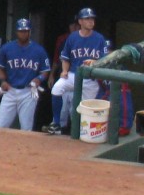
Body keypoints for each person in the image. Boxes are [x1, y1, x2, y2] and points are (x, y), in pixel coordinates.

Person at [48, 8, 111, 136]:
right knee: (56, 88)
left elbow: (106, 59)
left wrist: (94, 61)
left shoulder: (99, 38)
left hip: (91, 78)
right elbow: (65, 57)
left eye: (92, 19)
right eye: (88, 19)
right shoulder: (72, 37)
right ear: (80, 21)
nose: (91, 21)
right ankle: (56, 123)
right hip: (73, 74)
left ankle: (83, 134)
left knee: (84, 109)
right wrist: (64, 71)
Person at [0, 18, 52, 131]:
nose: (23, 33)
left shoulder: (39, 50)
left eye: (26, 31)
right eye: (21, 31)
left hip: (28, 92)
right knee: (0, 126)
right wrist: (3, 81)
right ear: (16, 32)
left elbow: (45, 71)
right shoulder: (7, 48)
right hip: (10, 91)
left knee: (26, 128)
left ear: (30, 32)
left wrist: (38, 79)